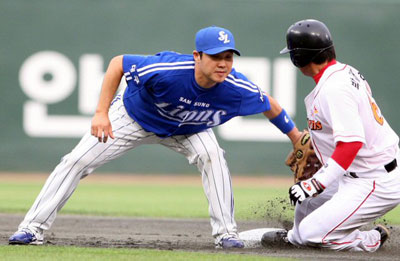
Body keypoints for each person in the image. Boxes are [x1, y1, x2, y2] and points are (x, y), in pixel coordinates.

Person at [9, 25, 302, 249]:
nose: (223, 63)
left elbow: (271, 106)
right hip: (134, 117)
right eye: (215, 57)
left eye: (228, 57)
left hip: (187, 128)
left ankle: (226, 233)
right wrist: (101, 112)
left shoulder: (237, 87)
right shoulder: (168, 70)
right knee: (76, 161)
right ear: (197, 56)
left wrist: (296, 138)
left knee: (213, 156)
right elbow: (118, 64)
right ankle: (32, 228)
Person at [261, 19, 400, 252]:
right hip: (356, 173)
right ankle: (298, 237)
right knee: (306, 206)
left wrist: (316, 182)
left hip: (374, 180)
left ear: (299, 58)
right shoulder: (341, 74)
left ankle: (368, 239)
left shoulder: (334, 88)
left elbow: (352, 144)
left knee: (311, 233)